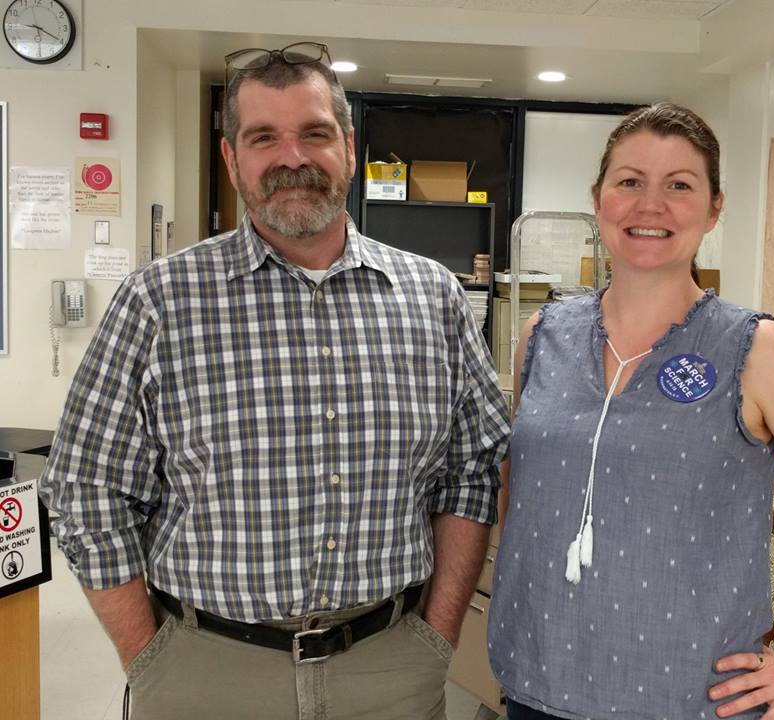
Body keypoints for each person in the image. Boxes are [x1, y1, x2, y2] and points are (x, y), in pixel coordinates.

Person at [39, 42, 509, 720]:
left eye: (314, 133)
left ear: (348, 146)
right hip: (205, 675)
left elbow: (471, 471)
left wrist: (436, 636)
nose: (293, 158)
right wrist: (149, 656)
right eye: (264, 137)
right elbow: (86, 489)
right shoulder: (159, 302)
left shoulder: (431, 297)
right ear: (233, 159)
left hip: (390, 671)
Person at [487, 103, 774, 720]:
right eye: (630, 181)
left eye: (679, 186)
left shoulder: (755, 350)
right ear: (599, 197)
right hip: (538, 688)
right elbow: (523, 491)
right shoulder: (543, 336)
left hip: (687, 699)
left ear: (715, 207)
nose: (650, 205)